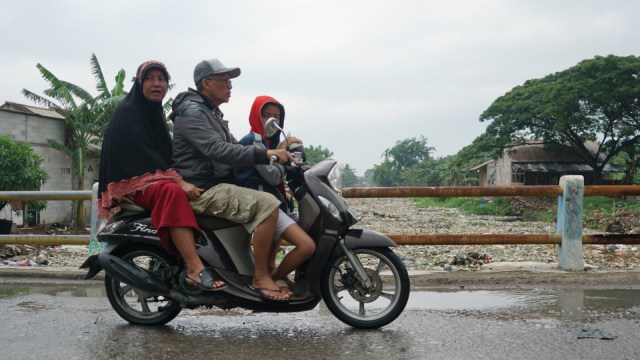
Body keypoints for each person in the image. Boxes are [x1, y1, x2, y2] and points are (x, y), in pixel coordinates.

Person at [170, 58, 294, 301]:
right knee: (268, 204)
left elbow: (234, 148)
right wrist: (266, 153)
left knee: (273, 199)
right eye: (224, 81)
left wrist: (275, 155)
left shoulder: (210, 112)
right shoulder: (194, 112)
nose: (230, 86)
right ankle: (260, 277)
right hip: (205, 187)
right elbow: (218, 150)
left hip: (216, 183)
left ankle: (256, 270)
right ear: (206, 83)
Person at [98, 60, 226, 292]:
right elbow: (141, 158)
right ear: (139, 83)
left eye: (162, 79)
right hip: (130, 186)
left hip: (152, 181)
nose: (156, 84)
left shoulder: (154, 112)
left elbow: (166, 156)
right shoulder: (128, 112)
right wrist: (176, 180)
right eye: (150, 79)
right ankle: (195, 267)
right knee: (171, 192)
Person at [235, 95, 315, 296]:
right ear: (256, 116)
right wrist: (281, 152)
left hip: (273, 200)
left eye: (276, 117)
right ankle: (273, 277)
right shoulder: (254, 142)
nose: (271, 120)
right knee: (306, 246)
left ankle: (273, 270)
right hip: (260, 202)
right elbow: (271, 176)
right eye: (266, 115)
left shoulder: (269, 140)